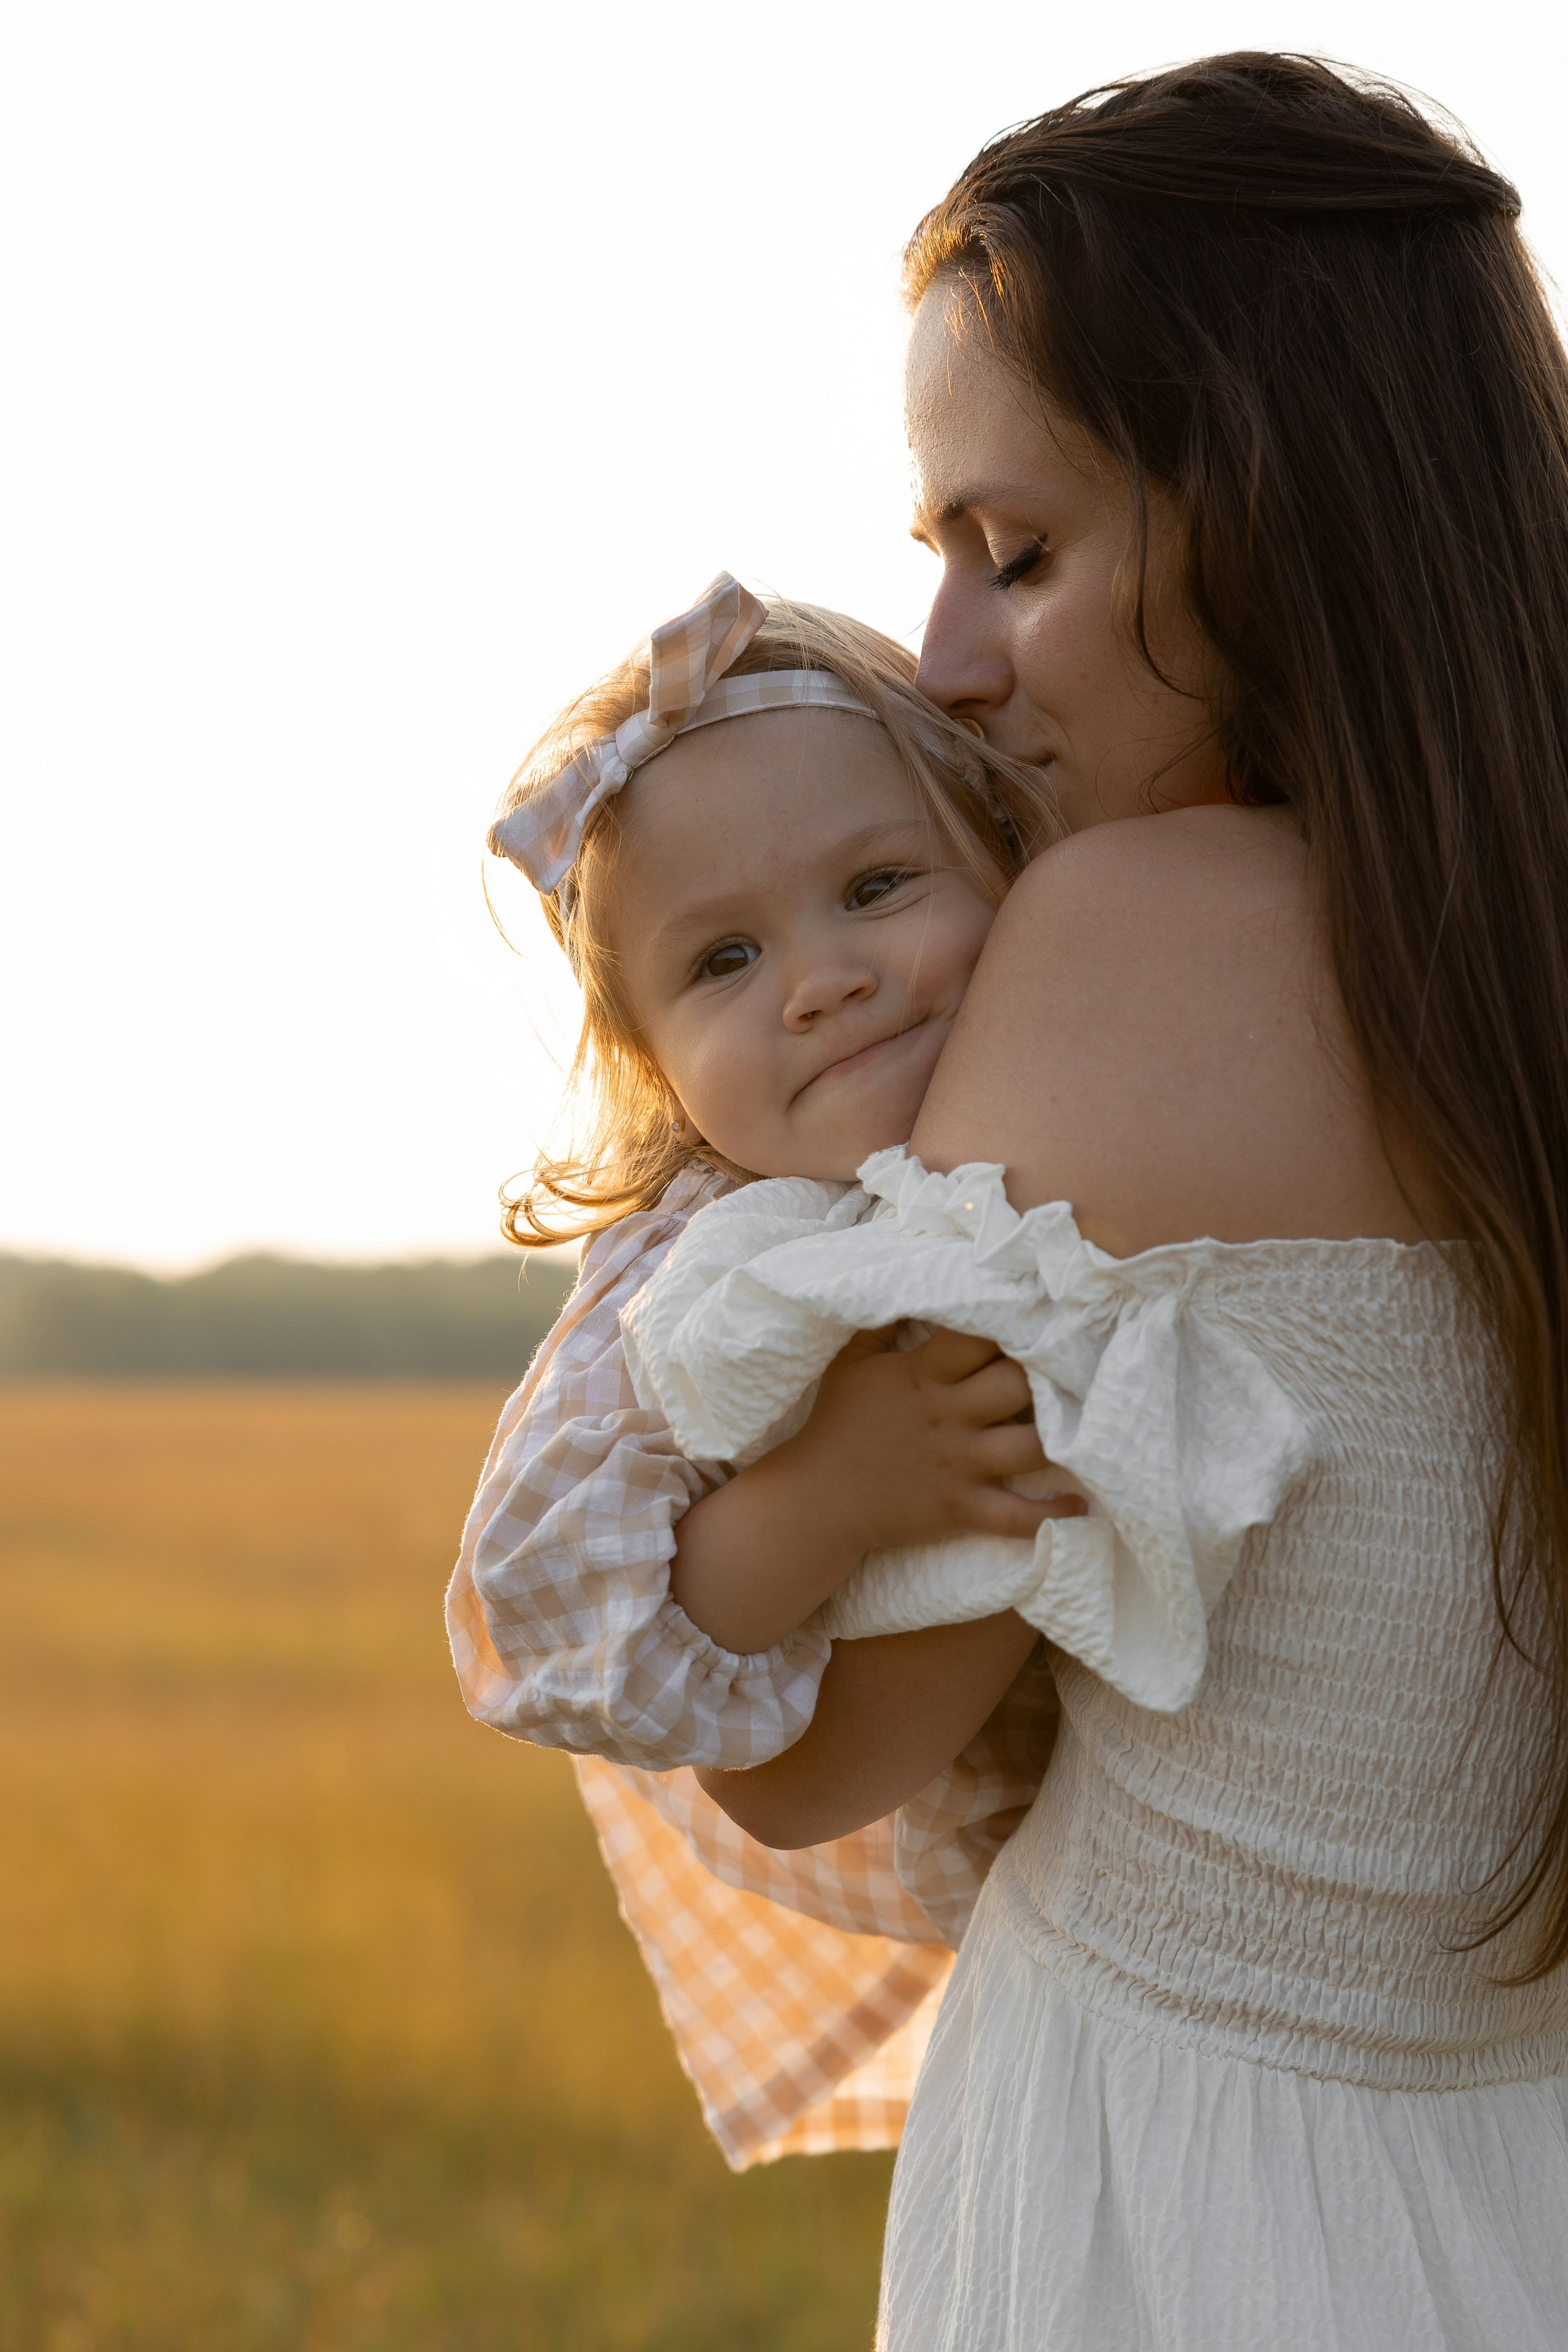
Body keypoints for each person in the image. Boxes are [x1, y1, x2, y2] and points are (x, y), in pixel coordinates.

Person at [685, 50, 1568, 2349]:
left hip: (1177, 2175)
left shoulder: (1129, 940)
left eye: (1024, 551)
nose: (960, 666)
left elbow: (822, 1762)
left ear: (1275, 508)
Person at [446, 576, 1076, 2165]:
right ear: (654, 1064)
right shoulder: (708, 1265)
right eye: (722, 959)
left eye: (877, 885)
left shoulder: (1077, 1100)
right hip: (1044, 1909)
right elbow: (584, 1603)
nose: (820, 978)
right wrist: (836, 1489)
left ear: (1008, 858)